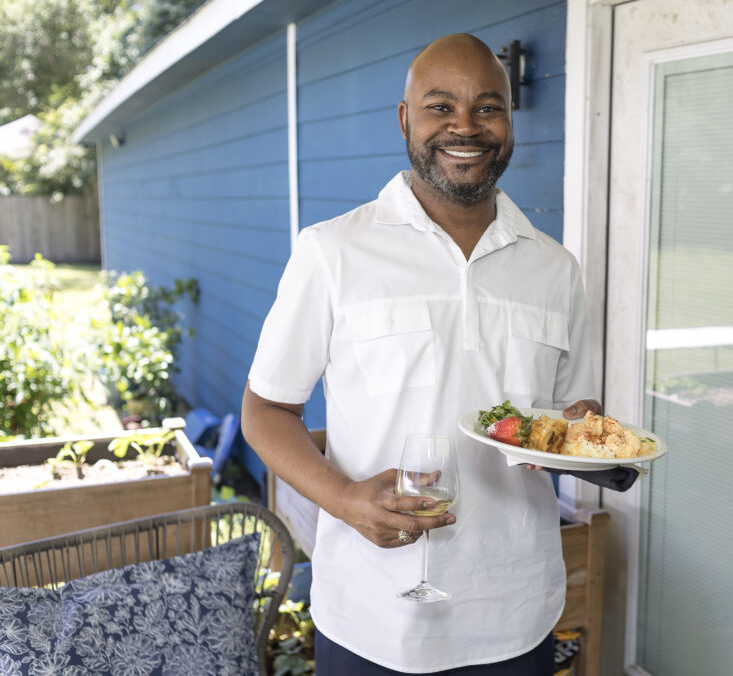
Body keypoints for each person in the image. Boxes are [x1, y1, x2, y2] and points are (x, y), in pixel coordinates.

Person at [241, 33, 601, 674]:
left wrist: (578, 431)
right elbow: (267, 409)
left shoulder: (557, 269)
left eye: (488, 107)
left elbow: (563, 416)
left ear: (510, 121)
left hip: (515, 611)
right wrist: (346, 500)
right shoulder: (333, 251)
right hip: (372, 617)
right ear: (407, 119)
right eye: (441, 106)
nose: (465, 125)